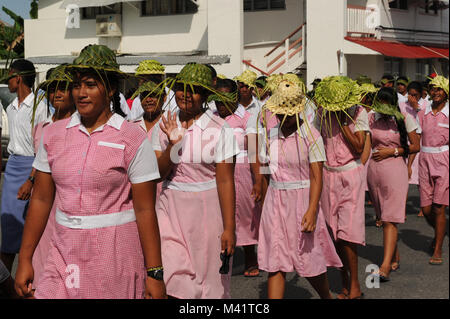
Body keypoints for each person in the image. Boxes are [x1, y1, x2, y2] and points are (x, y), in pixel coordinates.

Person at [14, 44, 166, 299]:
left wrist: (155, 273)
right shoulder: (53, 135)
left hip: (115, 254)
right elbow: (41, 199)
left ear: (111, 89)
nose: (81, 93)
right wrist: (26, 259)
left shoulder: (132, 138)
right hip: (64, 251)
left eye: (91, 85)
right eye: (76, 85)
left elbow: (144, 209)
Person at [151, 62, 239, 299]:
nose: (185, 95)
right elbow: (158, 173)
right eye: (181, 87)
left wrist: (229, 228)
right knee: (172, 273)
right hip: (170, 209)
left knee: (208, 282)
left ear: (205, 95)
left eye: (194, 90)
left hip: (207, 212)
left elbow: (225, 181)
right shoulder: (164, 125)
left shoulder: (220, 129)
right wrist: (173, 144)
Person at [257, 75, 342, 299]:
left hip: (302, 200)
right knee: (275, 261)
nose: (283, 117)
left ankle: (326, 297)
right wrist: (262, 196)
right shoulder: (269, 135)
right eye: (279, 113)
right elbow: (266, 170)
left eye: (287, 113)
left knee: (308, 258)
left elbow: (317, 176)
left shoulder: (311, 136)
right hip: (275, 201)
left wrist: (312, 210)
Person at [314, 76, 370, 299]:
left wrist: (344, 121)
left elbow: (358, 147)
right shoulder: (322, 114)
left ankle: (354, 283)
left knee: (349, 234)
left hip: (350, 174)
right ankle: (344, 280)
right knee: (333, 233)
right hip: (329, 175)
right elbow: (316, 142)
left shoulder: (359, 113)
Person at [209, 78, 265, 278]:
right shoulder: (211, 118)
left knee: (245, 216)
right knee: (219, 215)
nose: (220, 105)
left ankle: (251, 258)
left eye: (224, 100)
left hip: (241, 172)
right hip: (217, 171)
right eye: (217, 100)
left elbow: (254, 151)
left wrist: (258, 181)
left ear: (234, 97)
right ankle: (222, 260)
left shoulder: (247, 117)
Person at [30, 65, 77, 290]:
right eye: (52, 89)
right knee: (42, 256)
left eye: (63, 88)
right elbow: (39, 168)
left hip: (71, 203)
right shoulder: (41, 127)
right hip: (45, 204)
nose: (56, 94)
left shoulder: (80, 127)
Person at [367, 87, 420, 281]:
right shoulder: (371, 117)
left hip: (395, 169)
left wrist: (394, 151)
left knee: (391, 218)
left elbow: (415, 145)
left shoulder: (404, 117)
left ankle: (385, 265)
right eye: (379, 101)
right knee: (383, 217)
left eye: (385, 101)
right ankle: (395, 256)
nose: (382, 105)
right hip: (374, 171)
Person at [0, 59, 47, 273]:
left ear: (18, 78)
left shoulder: (41, 105)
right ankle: (7, 282)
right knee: (9, 226)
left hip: (34, 167)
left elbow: (44, 148)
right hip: (12, 167)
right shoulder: (10, 107)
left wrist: (31, 178)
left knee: (35, 225)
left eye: (9, 75)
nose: (7, 80)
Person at [416, 75, 449, 266]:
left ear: (446, 92)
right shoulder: (423, 111)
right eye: (432, 89)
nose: (435, 93)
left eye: (439, 89)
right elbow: (416, 136)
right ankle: (438, 233)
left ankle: (437, 247)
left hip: (444, 160)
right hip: (424, 160)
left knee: (439, 207)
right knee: (426, 208)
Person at [400, 81, 430, 217]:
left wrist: (416, 108)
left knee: (422, 179)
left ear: (420, 94)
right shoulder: (402, 105)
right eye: (410, 95)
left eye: (415, 95)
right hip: (406, 143)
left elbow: (425, 123)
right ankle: (401, 209)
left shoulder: (426, 105)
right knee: (403, 178)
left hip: (421, 144)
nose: (412, 98)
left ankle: (424, 207)